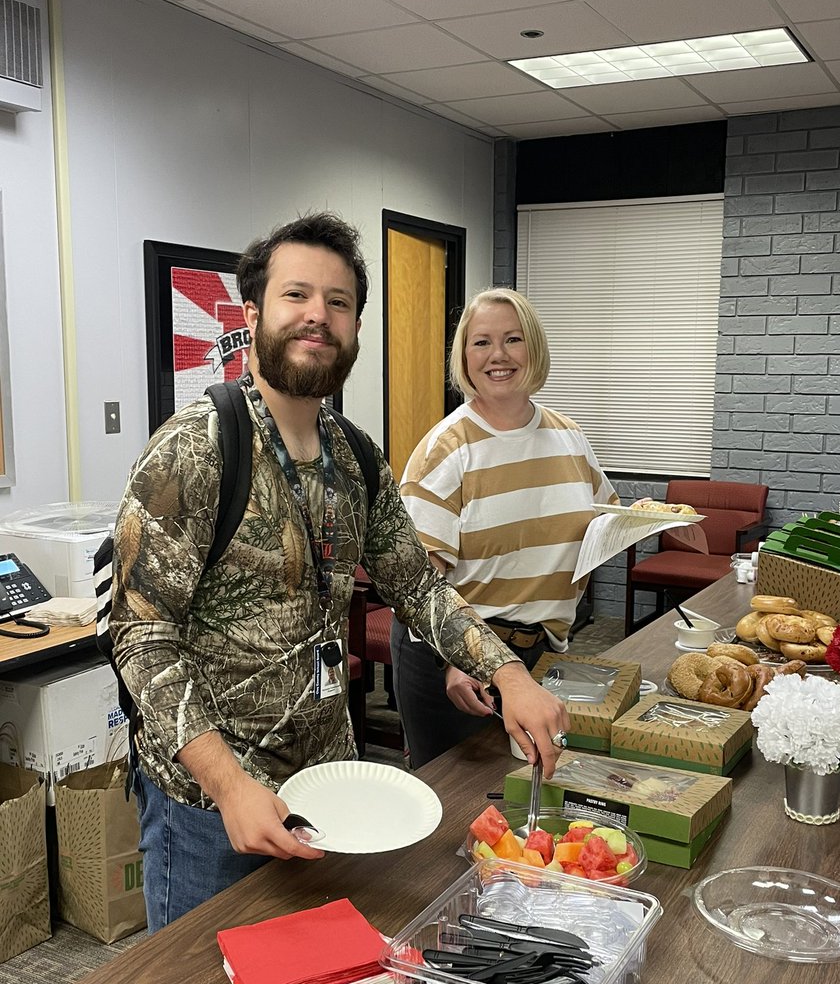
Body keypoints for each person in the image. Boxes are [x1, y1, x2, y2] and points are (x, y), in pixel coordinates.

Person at [108, 213, 568, 932]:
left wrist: (508, 674)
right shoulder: (192, 451)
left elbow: (415, 582)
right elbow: (141, 639)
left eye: (339, 302)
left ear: (355, 328)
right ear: (255, 314)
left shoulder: (355, 456)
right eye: (297, 296)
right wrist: (228, 786)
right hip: (210, 809)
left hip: (327, 787)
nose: (317, 316)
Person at [391, 287, 617, 768]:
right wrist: (456, 659)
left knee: (531, 786)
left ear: (533, 348)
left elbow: (606, 522)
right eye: (481, 343)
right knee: (458, 805)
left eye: (513, 340)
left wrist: (669, 523)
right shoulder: (445, 449)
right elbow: (417, 582)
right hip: (454, 664)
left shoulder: (569, 437)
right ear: (463, 357)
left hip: (543, 654)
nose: (498, 355)